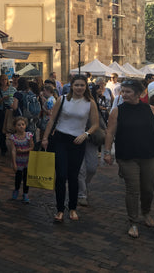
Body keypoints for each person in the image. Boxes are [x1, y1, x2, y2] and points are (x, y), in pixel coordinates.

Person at [103, 79, 154, 238]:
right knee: (133, 189)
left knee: (147, 189)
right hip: (127, 156)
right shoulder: (117, 111)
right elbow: (110, 132)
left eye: (128, 91)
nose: (124, 94)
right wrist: (107, 152)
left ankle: (146, 212)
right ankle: (133, 221)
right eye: (123, 91)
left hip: (150, 154)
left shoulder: (151, 109)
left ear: (139, 94)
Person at [41, 74, 99, 222]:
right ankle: (60, 209)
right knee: (60, 175)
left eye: (82, 85)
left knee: (73, 176)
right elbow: (52, 119)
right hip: (61, 139)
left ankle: (72, 208)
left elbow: (95, 124)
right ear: (71, 86)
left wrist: (86, 134)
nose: (79, 88)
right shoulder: (63, 99)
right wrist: (45, 137)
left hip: (78, 142)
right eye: (77, 85)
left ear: (86, 87)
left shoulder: (90, 103)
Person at [77, 82, 109, 206]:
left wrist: (105, 130)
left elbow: (99, 120)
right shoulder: (70, 103)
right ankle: (82, 193)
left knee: (91, 167)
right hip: (76, 138)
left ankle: (83, 185)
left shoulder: (91, 104)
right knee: (81, 169)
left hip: (91, 139)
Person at [9, 116, 34, 203]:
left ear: (25, 125)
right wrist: (14, 163)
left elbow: (32, 147)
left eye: (23, 124)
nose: (21, 126)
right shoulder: (13, 137)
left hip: (27, 161)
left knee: (27, 178)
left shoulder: (28, 135)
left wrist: (23, 150)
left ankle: (25, 193)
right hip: (18, 161)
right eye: (19, 125)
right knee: (18, 177)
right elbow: (13, 150)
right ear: (15, 126)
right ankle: (16, 190)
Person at [0, 74, 16, 156]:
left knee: (12, 128)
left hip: (11, 111)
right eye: (2, 80)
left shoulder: (13, 89)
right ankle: (3, 148)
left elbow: (16, 99)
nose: (4, 81)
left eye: (5, 79)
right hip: (2, 111)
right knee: (1, 130)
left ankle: (14, 147)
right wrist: (2, 99)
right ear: (0, 81)